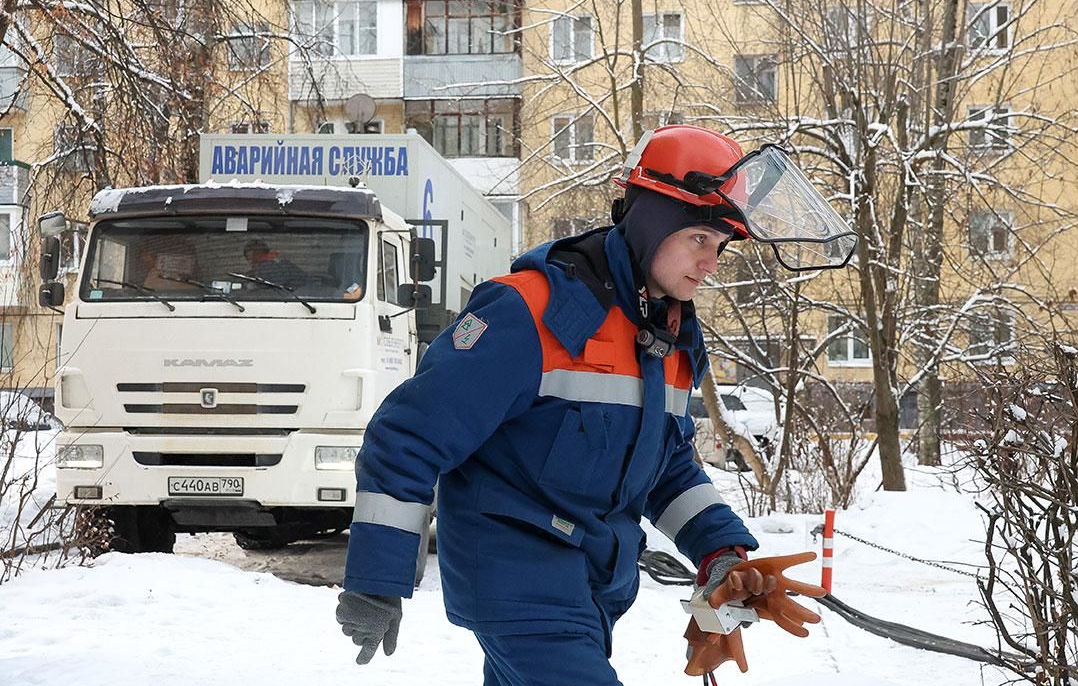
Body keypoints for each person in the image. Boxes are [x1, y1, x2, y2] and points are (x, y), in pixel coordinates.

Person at [336, 125, 855, 684]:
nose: (710, 263)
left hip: (591, 592)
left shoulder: (670, 338)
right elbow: (408, 437)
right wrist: (376, 579)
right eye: (699, 240)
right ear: (654, 225)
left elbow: (668, 466)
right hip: (516, 587)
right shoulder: (527, 312)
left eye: (721, 248)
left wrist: (720, 551)